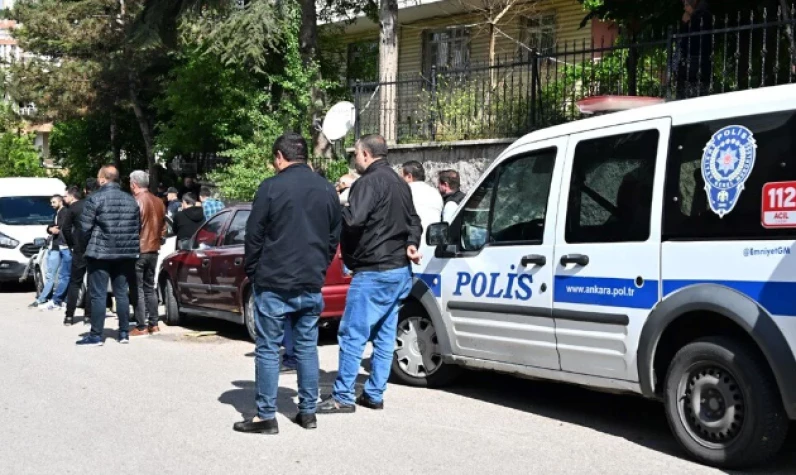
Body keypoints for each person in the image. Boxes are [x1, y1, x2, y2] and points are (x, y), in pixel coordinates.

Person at [235, 133, 341, 435]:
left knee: (269, 348)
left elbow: (254, 235)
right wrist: (319, 266)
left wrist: (254, 272)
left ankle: (266, 416)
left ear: (280, 157)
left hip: (273, 280)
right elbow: (334, 236)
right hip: (310, 280)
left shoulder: (270, 187)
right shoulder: (326, 189)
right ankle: (308, 412)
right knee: (307, 347)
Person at [317, 134, 422, 415]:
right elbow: (414, 221)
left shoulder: (367, 183)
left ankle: (343, 397)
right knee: (385, 335)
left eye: (356, 154)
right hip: (399, 270)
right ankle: (375, 394)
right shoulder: (401, 183)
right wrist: (412, 243)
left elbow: (352, 221)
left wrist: (338, 205)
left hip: (373, 271)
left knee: (353, 333)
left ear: (365, 154)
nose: (355, 159)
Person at [76, 165, 141, 347]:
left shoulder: (95, 198)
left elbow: (84, 229)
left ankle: (96, 335)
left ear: (103, 179)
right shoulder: (131, 200)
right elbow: (137, 227)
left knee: (98, 294)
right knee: (121, 293)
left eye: (99, 177)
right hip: (125, 253)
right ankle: (123, 333)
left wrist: (85, 248)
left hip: (100, 253)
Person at [129, 170, 166, 337]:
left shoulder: (136, 201)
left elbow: (133, 226)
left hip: (139, 249)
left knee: (138, 288)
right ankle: (154, 324)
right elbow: (164, 226)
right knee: (150, 287)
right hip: (153, 248)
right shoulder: (159, 201)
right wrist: (159, 239)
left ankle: (141, 325)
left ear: (134, 184)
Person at [29, 195, 72, 311]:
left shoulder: (64, 212)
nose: (51, 204)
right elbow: (51, 226)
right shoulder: (57, 213)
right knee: (54, 274)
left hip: (60, 247)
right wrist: (50, 229)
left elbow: (62, 228)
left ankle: (46, 299)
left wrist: (54, 230)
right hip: (56, 246)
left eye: (54, 202)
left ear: (60, 201)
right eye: (51, 202)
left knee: (56, 275)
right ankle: (48, 298)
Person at [62, 187, 90, 326]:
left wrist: (71, 244)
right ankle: (88, 316)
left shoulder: (73, 208)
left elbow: (65, 228)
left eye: (66, 196)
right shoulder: (91, 204)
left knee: (75, 283)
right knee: (92, 283)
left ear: (72, 196)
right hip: (93, 248)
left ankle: (69, 315)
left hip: (78, 248)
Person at [676, 0, 713, 99]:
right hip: (690, 59)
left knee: (696, 91)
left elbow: (696, 38)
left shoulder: (703, 15)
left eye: (686, 5)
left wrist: (688, 21)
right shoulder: (693, 16)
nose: (684, 8)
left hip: (697, 59)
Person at [402, 161, 443, 235]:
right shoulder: (435, 193)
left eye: (401, 177)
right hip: (433, 240)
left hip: (412, 240)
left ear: (409, 176)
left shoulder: (404, 192)